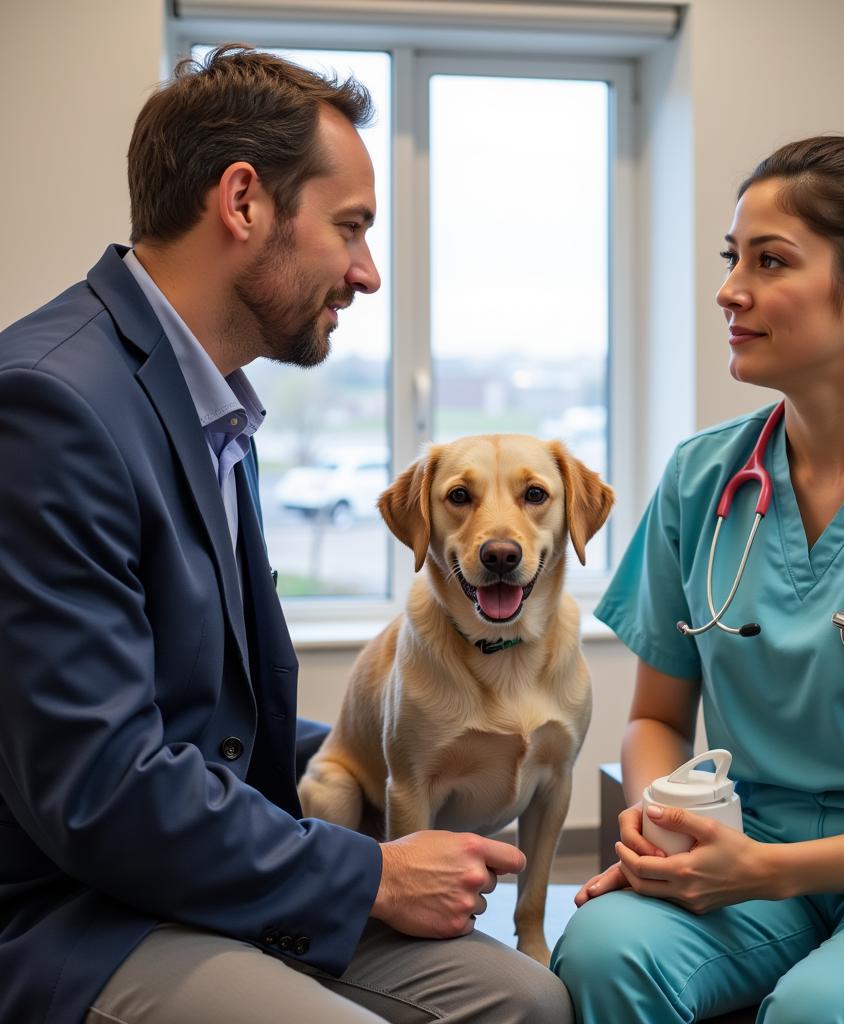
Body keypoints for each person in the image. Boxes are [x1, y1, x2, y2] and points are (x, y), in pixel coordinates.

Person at [0, 45, 572, 1024]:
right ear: (243, 202)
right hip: (80, 911)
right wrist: (365, 875)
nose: (368, 272)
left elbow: (213, 729)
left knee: (529, 996)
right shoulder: (52, 406)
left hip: (191, 872)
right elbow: (99, 786)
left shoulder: (214, 411)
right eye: (349, 227)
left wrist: (383, 750)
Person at [550, 136, 844, 1022]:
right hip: (753, 849)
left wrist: (772, 870)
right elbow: (655, 718)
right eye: (733, 258)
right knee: (605, 952)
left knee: (824, 1010)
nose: (731, 288)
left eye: (770, 262)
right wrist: (666, 824)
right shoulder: (703, 480)